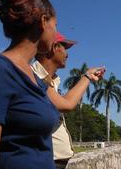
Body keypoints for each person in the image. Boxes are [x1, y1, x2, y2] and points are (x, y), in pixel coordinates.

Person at [0, 0, 104, 169]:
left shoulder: (36, 79)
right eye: (55, 25)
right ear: (43, 22)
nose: (55, 34)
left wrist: (87, 77)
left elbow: (66, 104)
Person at [31, 32, 76, 169]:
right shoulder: (35, 76)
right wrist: (87, 77)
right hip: (46, 160)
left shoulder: (51, 81)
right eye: (64, 48)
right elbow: (65, 105)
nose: (67, 54)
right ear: (54, 47)